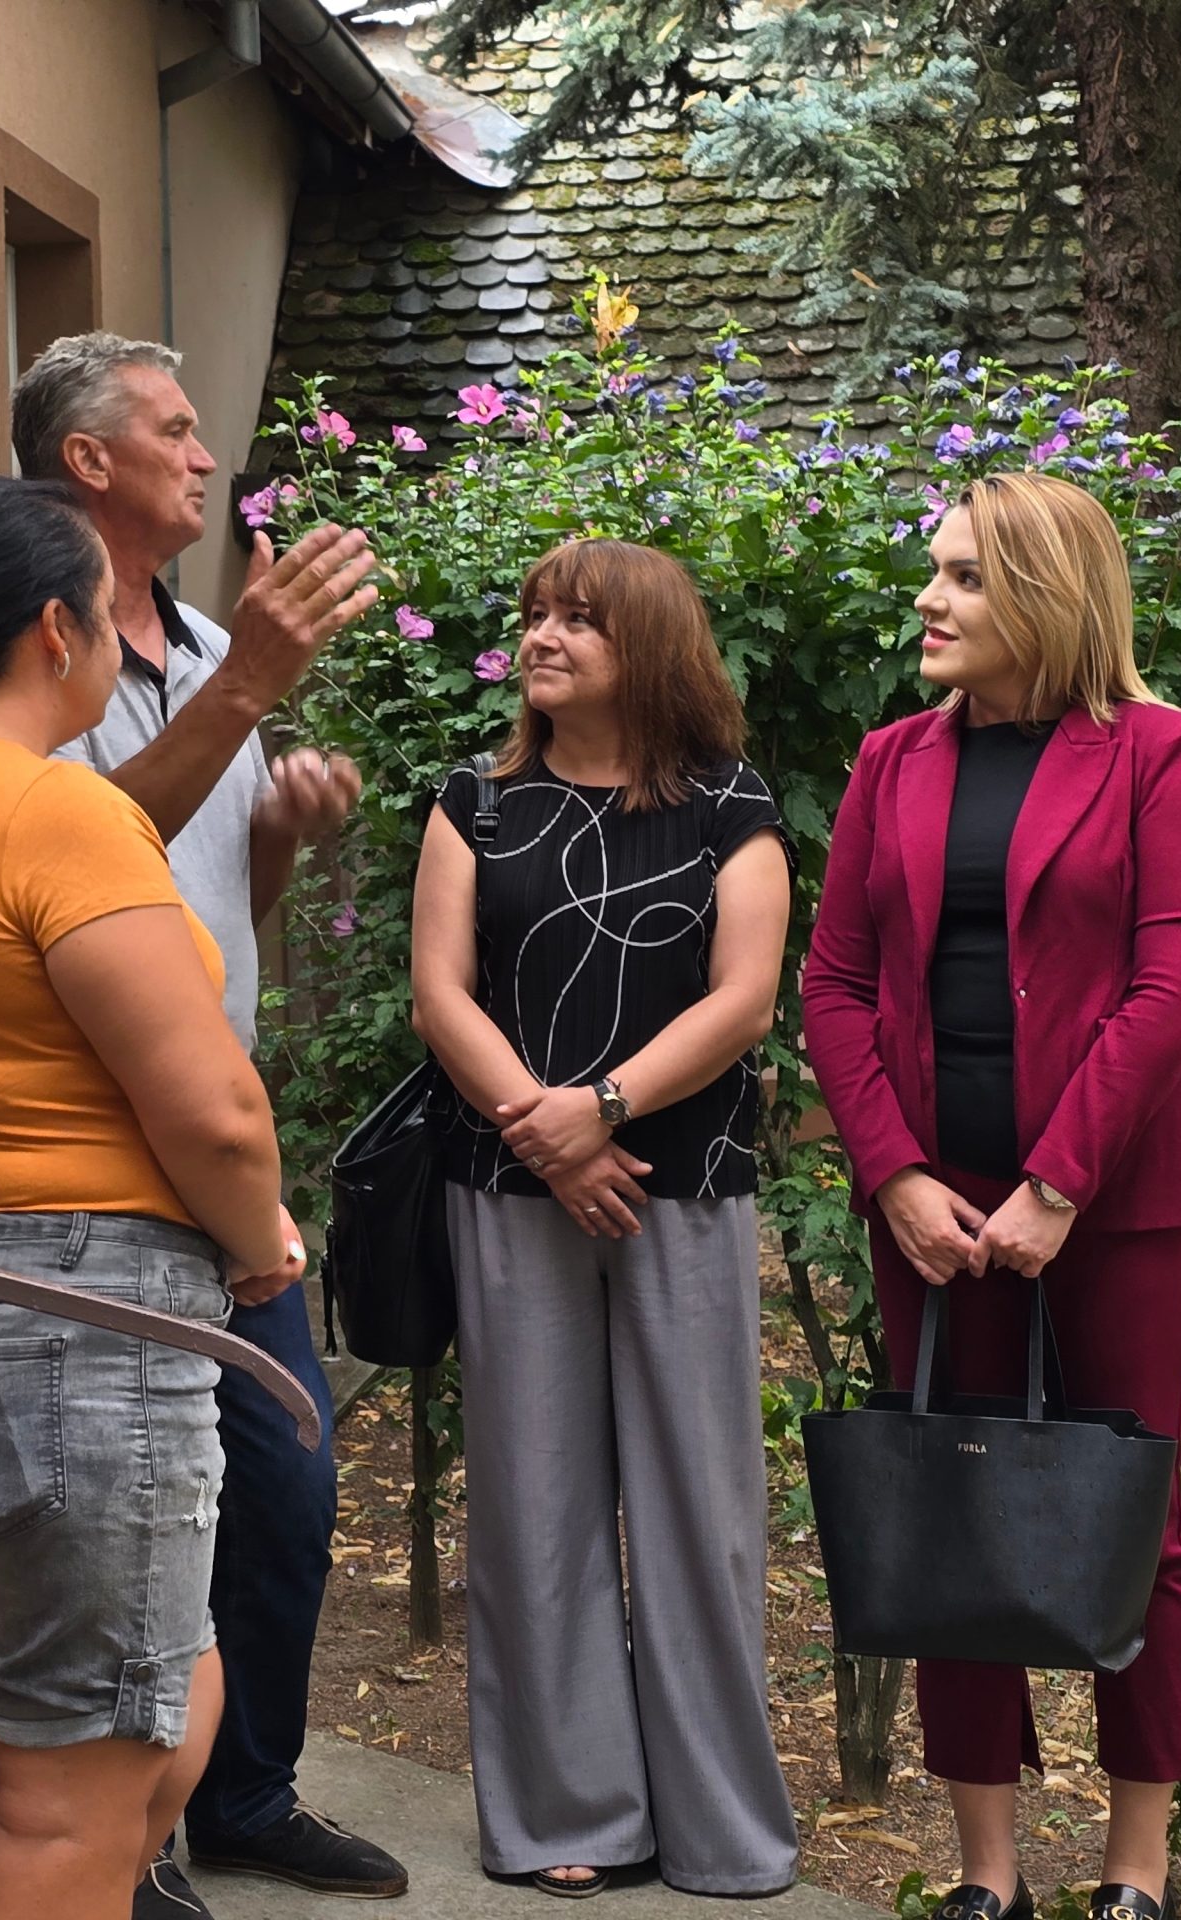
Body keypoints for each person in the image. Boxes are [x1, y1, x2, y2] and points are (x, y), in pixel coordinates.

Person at [0, 474, 310, 1920]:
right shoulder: (60, 810)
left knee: (156, 1706)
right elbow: (215, 1109)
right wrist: (260, 1243)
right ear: (55, 631)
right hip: (76, 1328)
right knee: (62, 1817)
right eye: (107, 614)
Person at [10, 330, 403, 1917]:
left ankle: (243, 1800)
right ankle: (135, 1842)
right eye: (171, 430)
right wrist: (251, 691)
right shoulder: (34, 641)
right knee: (129, 1516)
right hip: (96, 1154)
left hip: (215, 1143)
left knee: (286, 1487)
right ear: (86, 459)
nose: (203, 455)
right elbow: (75, 849)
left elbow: (208, 896)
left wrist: (284, 827)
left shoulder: (205, 644)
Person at [802, 471, 1181, 1920]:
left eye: (966, 576)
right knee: (951, 1513)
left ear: (1047, 596)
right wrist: (895, 1174)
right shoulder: (890, 763)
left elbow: (1176, 981)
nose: (931, 598)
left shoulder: (1159, 755)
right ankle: (988, 1879)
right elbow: (835, 984)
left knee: (1137, 1525)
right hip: (933, 1212)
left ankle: (1134, 1875)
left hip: (1110, 1206)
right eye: (937, 569)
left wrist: (1059, 1182)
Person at [408, 538, 800, 1900]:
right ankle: (568, 1813)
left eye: (580, 618)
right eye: (536, 614)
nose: (544, 635)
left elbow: (744, 999)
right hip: (509, 1188)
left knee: (702, 1509)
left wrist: (607, 1109)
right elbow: (441, 994)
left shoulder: (731, 808)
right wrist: (547, 1130)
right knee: (534, 1503)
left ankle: (717, 1829)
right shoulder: (473, 804)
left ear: (652, 645)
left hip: (683, 1188)